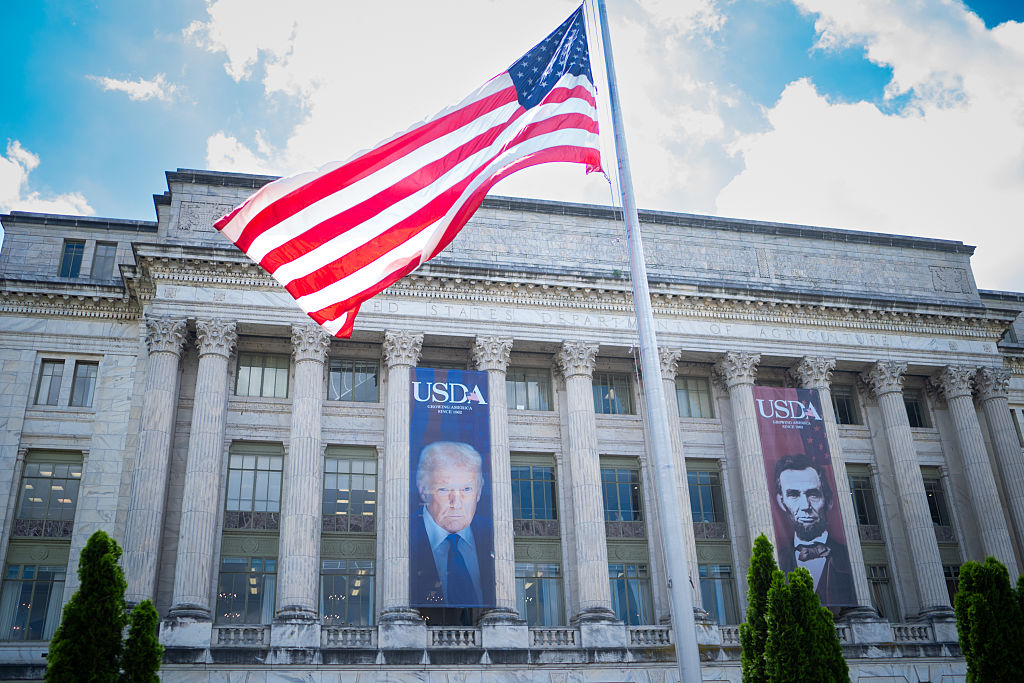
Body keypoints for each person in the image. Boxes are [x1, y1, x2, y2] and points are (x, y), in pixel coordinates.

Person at [409, 441, 495, 607]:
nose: (456, 503)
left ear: (479, 491)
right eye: (444, 489)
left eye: (466, 489)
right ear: (422, 489)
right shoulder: (404, 533)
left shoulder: (493, 533)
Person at [773, 454, 856, 607]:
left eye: (813, 494)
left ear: (829, 500)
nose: (805, 506)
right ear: (781, 501)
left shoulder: (848, 557)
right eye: (793, 495)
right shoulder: (778, 560)